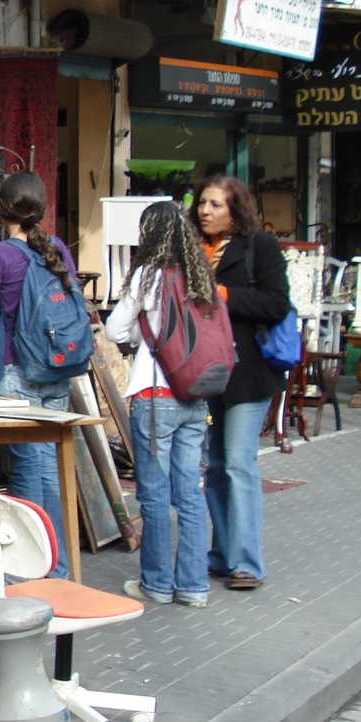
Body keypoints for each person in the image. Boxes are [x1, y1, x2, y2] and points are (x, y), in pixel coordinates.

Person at [0, 171, 78, 577]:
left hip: (15, 373)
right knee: (48, 469)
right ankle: (55, 567)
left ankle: (27, 568)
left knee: (26, 469)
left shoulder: (1, 254)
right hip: (56, 371)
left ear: (1, 208)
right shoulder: (57, 246)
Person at [105, 201, 215, 607]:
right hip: (194, 394)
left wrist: (140, 335)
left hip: (155, 395)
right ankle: (193, 586)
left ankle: (156, 583)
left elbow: (117, 327)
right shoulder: (199, 273)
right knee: (189, 491)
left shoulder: (148, 276)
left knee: (153, 493)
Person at [190, 174, 291, 591]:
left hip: (248, 374)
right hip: (204, 375)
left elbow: (276, 302)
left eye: (216, 205)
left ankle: (248, 562)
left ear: (235, 211)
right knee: (214, 466)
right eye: (202, 203)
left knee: (237, 463)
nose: (206, 211)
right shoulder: (191, 249)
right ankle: (221, 553)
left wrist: (223, 294)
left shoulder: (259, 246)